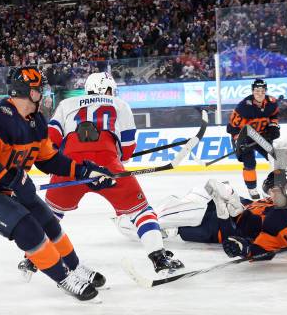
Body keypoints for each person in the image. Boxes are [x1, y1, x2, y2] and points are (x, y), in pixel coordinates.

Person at [0, 66, 115, 301]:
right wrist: (11, 179)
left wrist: (85, 171)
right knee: (27, 226)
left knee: (48, 220)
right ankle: (64, 277)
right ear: (27, 92)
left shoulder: (37, 121)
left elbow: (48, 159)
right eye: (39, 89)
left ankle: (74, 267)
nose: (43, 94)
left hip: (8, 186)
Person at [23, 71, 184, 276]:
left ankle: (31, 260)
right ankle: (159, 258)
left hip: (70, 165)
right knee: (141, 210)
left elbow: (51, 139)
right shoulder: (119, 104)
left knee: (51, 214)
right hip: (106, 164)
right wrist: (115, 156)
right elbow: (127, 148)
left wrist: (59, 161)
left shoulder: (66, 104)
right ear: (105, 89)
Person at [115, 178, 273, 244]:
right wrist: (227, 197)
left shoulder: (272, 220)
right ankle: (140, 221)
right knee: (183, 202)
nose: (272, 192)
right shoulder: (266, 203)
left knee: (174, 222)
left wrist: (223, 214)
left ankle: (135, 224)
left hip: (211, 228)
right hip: (210, 209)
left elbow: (230, 237)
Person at [227, 79, 280, 199]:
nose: (259, 93)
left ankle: (276, 186)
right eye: (257, 90)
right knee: (249, 162)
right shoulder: (243, 107)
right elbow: (233, 127)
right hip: (245, 137)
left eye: (262, 91)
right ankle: (252, 190)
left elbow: (274, 116)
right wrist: (238, 141)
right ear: (252, 91)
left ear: (265, 91)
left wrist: (273, 127)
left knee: (276, 158)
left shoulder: (272, 103)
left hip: (262, 137)